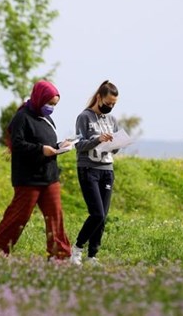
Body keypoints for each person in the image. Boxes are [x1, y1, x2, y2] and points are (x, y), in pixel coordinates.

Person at [0, 80, 72, 261]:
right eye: (50, 104)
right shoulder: (22, 117)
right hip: (28, 179)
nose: (51, 108)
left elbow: (47, 143)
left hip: (49, 176)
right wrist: (41, 150)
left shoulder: (46, 118)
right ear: (40, 98)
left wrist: (59, 146)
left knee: (55, 216)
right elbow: (18, 144)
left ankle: (59, 255)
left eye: (54, 105)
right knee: (19, 216)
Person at [70, 80, 120, 266]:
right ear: (99, 97)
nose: (110, 107)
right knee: (97, 213)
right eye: (108, 103)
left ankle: (92, 256)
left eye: (114, 104)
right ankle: (77, 248)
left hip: (107, 170)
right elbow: (79, 145)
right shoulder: (84, 117)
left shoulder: (112, 120)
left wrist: (116, 144)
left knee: (103, 216)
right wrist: (98, 139)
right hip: (88, 169)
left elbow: (113, 150)